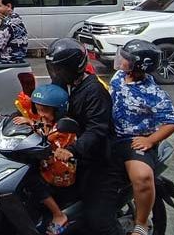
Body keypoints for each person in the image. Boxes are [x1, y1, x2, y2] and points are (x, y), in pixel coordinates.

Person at [44, 38, 121, 235]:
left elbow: (97, 129)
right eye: (53, 69)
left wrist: (71, 150)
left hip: (98, 161)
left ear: (73, 68)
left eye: (59, 70)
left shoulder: (94, 91)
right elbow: (46, 105)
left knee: (99, 221)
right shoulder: (64, 85)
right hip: (70, 156)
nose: (55, 74)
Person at [110, 40, 174, 235]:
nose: (121, 60)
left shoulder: (152, 92)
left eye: (126, 59)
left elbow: (173, 120)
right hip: (111, 135)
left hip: (134, 141)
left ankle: (141, 223)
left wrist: (150, 141)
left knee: (142, 177)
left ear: (139, 65)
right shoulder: (118, 76)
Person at [13, 84, 74, 235]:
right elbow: (40, 125)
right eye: (38, 110)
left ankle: (58, 215)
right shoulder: (46, 121)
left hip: (60, 170)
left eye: (45, 110)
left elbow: (49, 137)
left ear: (58, 111)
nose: (41, 114)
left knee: (30, 178)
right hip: (48, 162)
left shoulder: (64, 127)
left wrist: (31, 123)